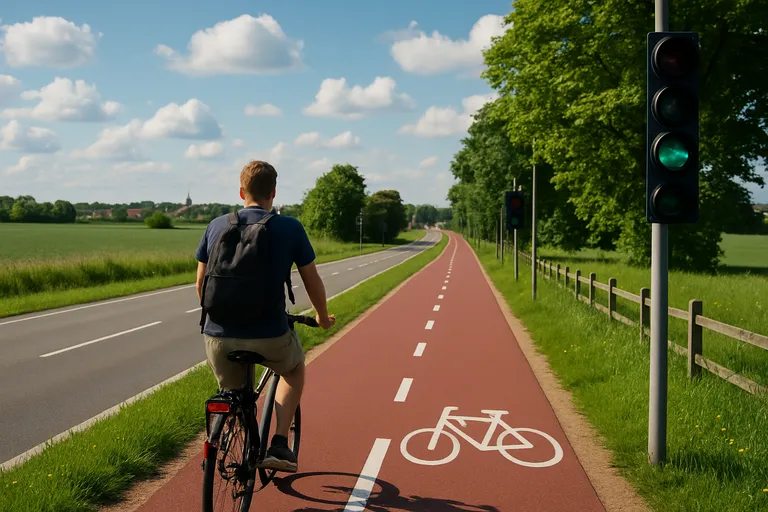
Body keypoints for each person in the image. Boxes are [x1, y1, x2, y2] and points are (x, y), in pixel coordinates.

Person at [194, 160, 335, 473]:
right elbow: (312, 280)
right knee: (295, 368)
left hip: (218, 336)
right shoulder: (290, 227)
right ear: (273, 191)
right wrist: (323, 317)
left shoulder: (216, 226)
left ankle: (226, 437)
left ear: (241, 191)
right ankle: (280, 444)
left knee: (232, 393)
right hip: (270, 334)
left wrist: (218, 320)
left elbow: (201, 284)